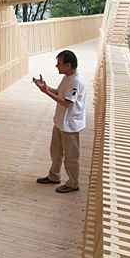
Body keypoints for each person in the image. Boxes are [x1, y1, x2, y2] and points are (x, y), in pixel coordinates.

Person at [33, 50, 87, 194]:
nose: (56, 66)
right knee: (55, 152)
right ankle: (54, 176)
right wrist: (45, 88)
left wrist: (47, 92)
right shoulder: (67, 77)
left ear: (68, 65)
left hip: (70, 125)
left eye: (59, 63)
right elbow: (59, 93)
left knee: (71, 157)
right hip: (60, 122)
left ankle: (73, 183)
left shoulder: (76, 81)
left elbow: (67, 103)